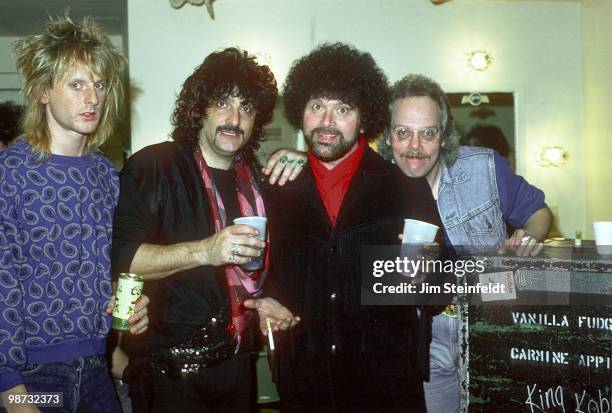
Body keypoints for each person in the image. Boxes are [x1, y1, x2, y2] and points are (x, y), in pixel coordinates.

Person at [111, 47, 299, 413]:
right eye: (223, 103)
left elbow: (275, 262)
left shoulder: (257, 180)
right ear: (199, 109)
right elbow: (122, 258)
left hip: (239, 368)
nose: (235, 118)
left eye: (246, 108)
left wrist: (268, 302)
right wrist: (206, 251)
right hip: (170, 378)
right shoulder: (156, 165)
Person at [264, 43, 443, 413]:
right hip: (304, 385)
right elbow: (262, 274)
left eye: (342, 109)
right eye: (317, 106)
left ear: (364, 118)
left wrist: (419, 272)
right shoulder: (278, 188)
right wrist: (263, 303)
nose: (327, 122)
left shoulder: (404, 187)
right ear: (301, 112)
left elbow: (441, 289)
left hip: (384, 390)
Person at [0, 15, 149, 413]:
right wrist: (10, 390)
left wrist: (131, 306)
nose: (93, 98)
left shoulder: (108, 175)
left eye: (99, 85)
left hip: (98, 369)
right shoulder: (11, 171)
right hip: (35, 379)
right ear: (44, 90)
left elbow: (114, 266)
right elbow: (2, 278)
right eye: (77, 84)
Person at [378, 74, 552, 412]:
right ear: (388, 136)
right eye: (403, 133)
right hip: (424, 339)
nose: (415, 147)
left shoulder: (485, 167)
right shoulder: (373, 189)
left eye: (427, 133)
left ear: (443, 136)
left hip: (494, 322)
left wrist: (527, 237)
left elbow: (539, 213)